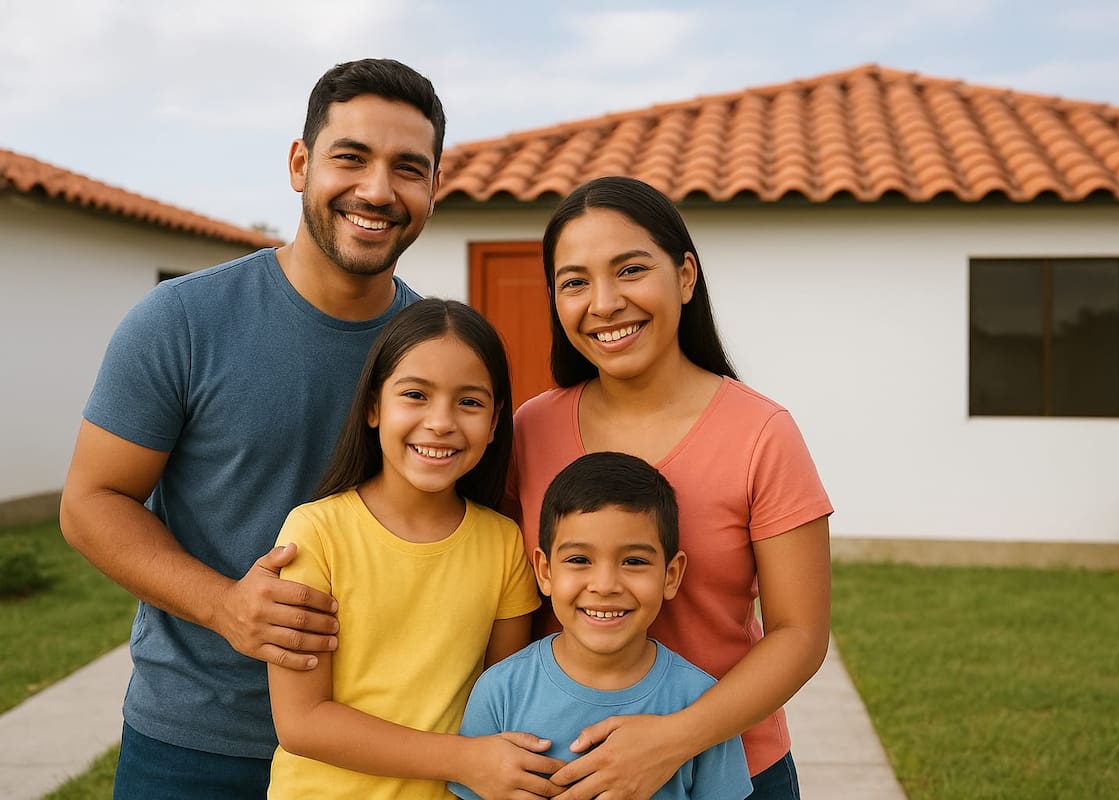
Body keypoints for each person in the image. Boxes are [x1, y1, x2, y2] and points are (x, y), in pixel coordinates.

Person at [59, 58, 449, 798]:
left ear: (435, 186)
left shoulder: (440, 354)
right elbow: (90, 503)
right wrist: (224, 605)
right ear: (300, 164)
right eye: (351, 157)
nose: (377, 190)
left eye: (407, 167)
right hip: (197, 746)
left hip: (380, 745)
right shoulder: (180, 323)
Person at [507, 176, 834, 800]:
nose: (603, 303)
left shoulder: (763, 434)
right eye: (574, 281)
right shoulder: (529, 429)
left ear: (685, 276)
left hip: (733, 770)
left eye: (629, 269)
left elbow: (800, 634)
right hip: (561, 771)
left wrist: (673, 739)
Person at [267, 298, 559, 799]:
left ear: (494, 424)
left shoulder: (504, 544)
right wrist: (465, 759)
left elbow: (500, 702)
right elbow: (302, 722)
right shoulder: (315, 532)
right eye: (416, 395)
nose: (441, 422)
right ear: (374, 407)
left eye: (469, 402)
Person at [452, 451, 753, 800]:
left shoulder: (700, 703)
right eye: (579, 560)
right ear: (545, 572)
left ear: (671, 575)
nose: (605, 584)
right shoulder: (500, 692)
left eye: (634, 561)